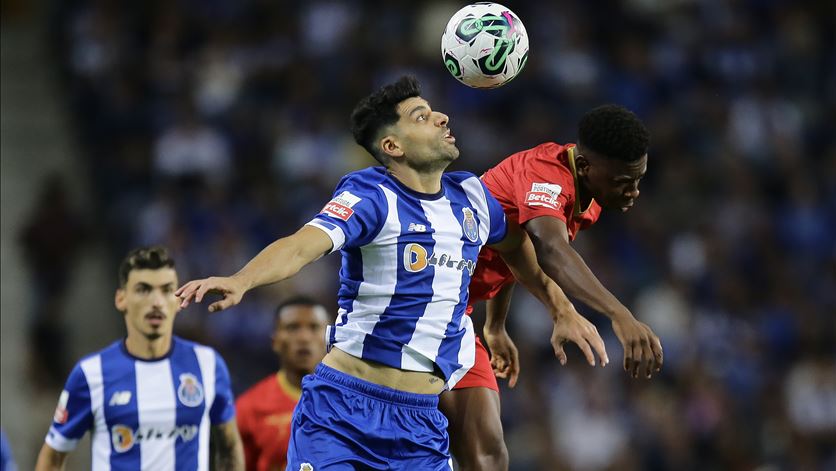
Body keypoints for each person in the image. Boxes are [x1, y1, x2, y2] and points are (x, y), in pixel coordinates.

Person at [176, 75, 604, 470]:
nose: (441, 117)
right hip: (342, 413)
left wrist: (554, 309)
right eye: (421, 116)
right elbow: (301, 246)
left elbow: (516, 251)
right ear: (393, 147)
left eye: (434, 110)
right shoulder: (371, 195)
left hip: (420, 425)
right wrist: (241, 280)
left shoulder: (472, 198)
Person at [438, 104, 666, 470]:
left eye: (638, 179)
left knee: (489, 455)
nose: (634, 191)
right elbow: (549, 249)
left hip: (458, 318)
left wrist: (495, 325)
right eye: (623, 181)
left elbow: (512, 249)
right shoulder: (546, 175)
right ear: (587, 167)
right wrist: (619, 315)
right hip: (422, 302)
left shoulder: (588, 200)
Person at [35, 246, 245, 471]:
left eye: (167, 290)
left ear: (179, 300)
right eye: (143, 289)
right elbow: (53, 456)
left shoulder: (208, 365)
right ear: (121, 299)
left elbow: (230, 447)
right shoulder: (91, 373)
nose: (156, 301)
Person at [236, 297, 328, 471]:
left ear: (330, 339)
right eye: (292, 328)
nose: (304, 337)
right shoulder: (248, 408)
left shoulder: (351, 403)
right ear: (275, 341)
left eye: (314, 327)